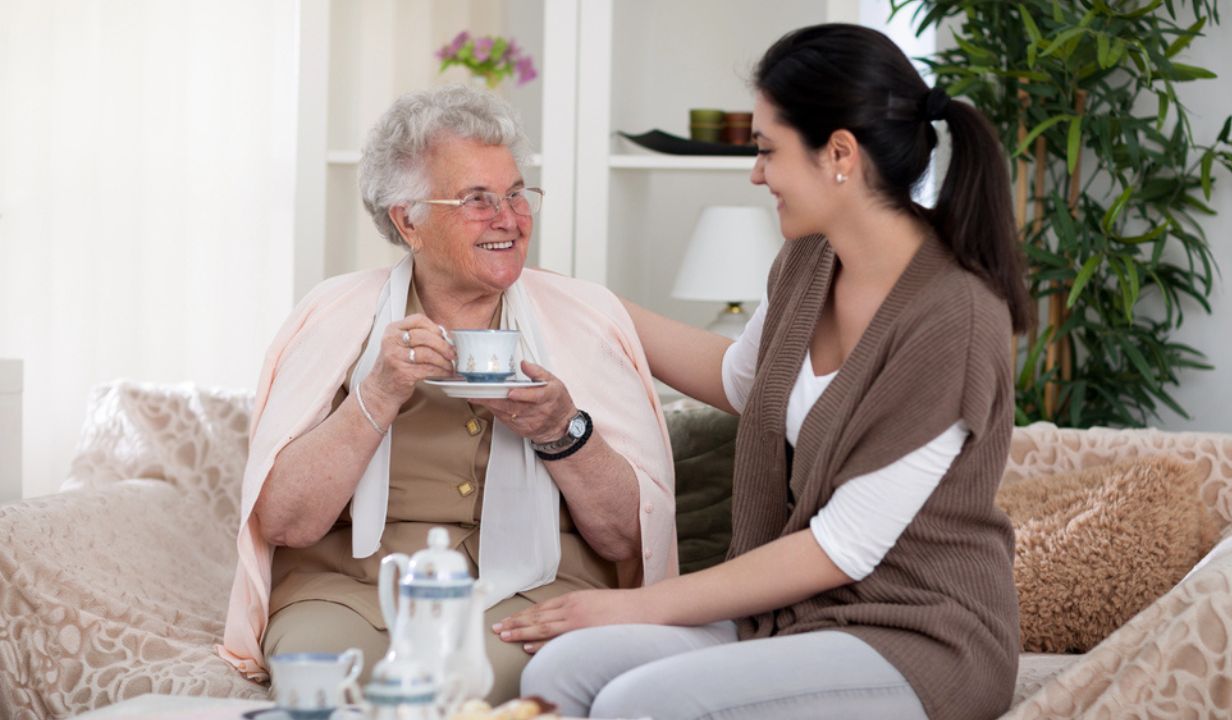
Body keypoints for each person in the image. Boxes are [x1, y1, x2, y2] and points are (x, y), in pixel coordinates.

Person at [500, 23, 1034, 720]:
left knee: (645, 703)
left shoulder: (953, 320)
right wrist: (571, 298)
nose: (756, 173)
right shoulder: (811, 261)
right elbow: (740, 380)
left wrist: (635, 606)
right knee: (562, 669)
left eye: (766, 149)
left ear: (838, 153)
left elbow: (840, 548)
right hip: (800, 615)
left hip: (919, 635)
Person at [216, 84, 678, 703]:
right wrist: (374, 396)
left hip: (532, 586)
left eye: (516, 195)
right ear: (409, 220)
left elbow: (629, 539)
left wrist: (560, 431)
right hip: (350, 587)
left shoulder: (583, 318)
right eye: (476, 200)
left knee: (459, 692)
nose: (509, 219)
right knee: (322, 682)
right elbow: (284, 521)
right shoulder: (334, 316)